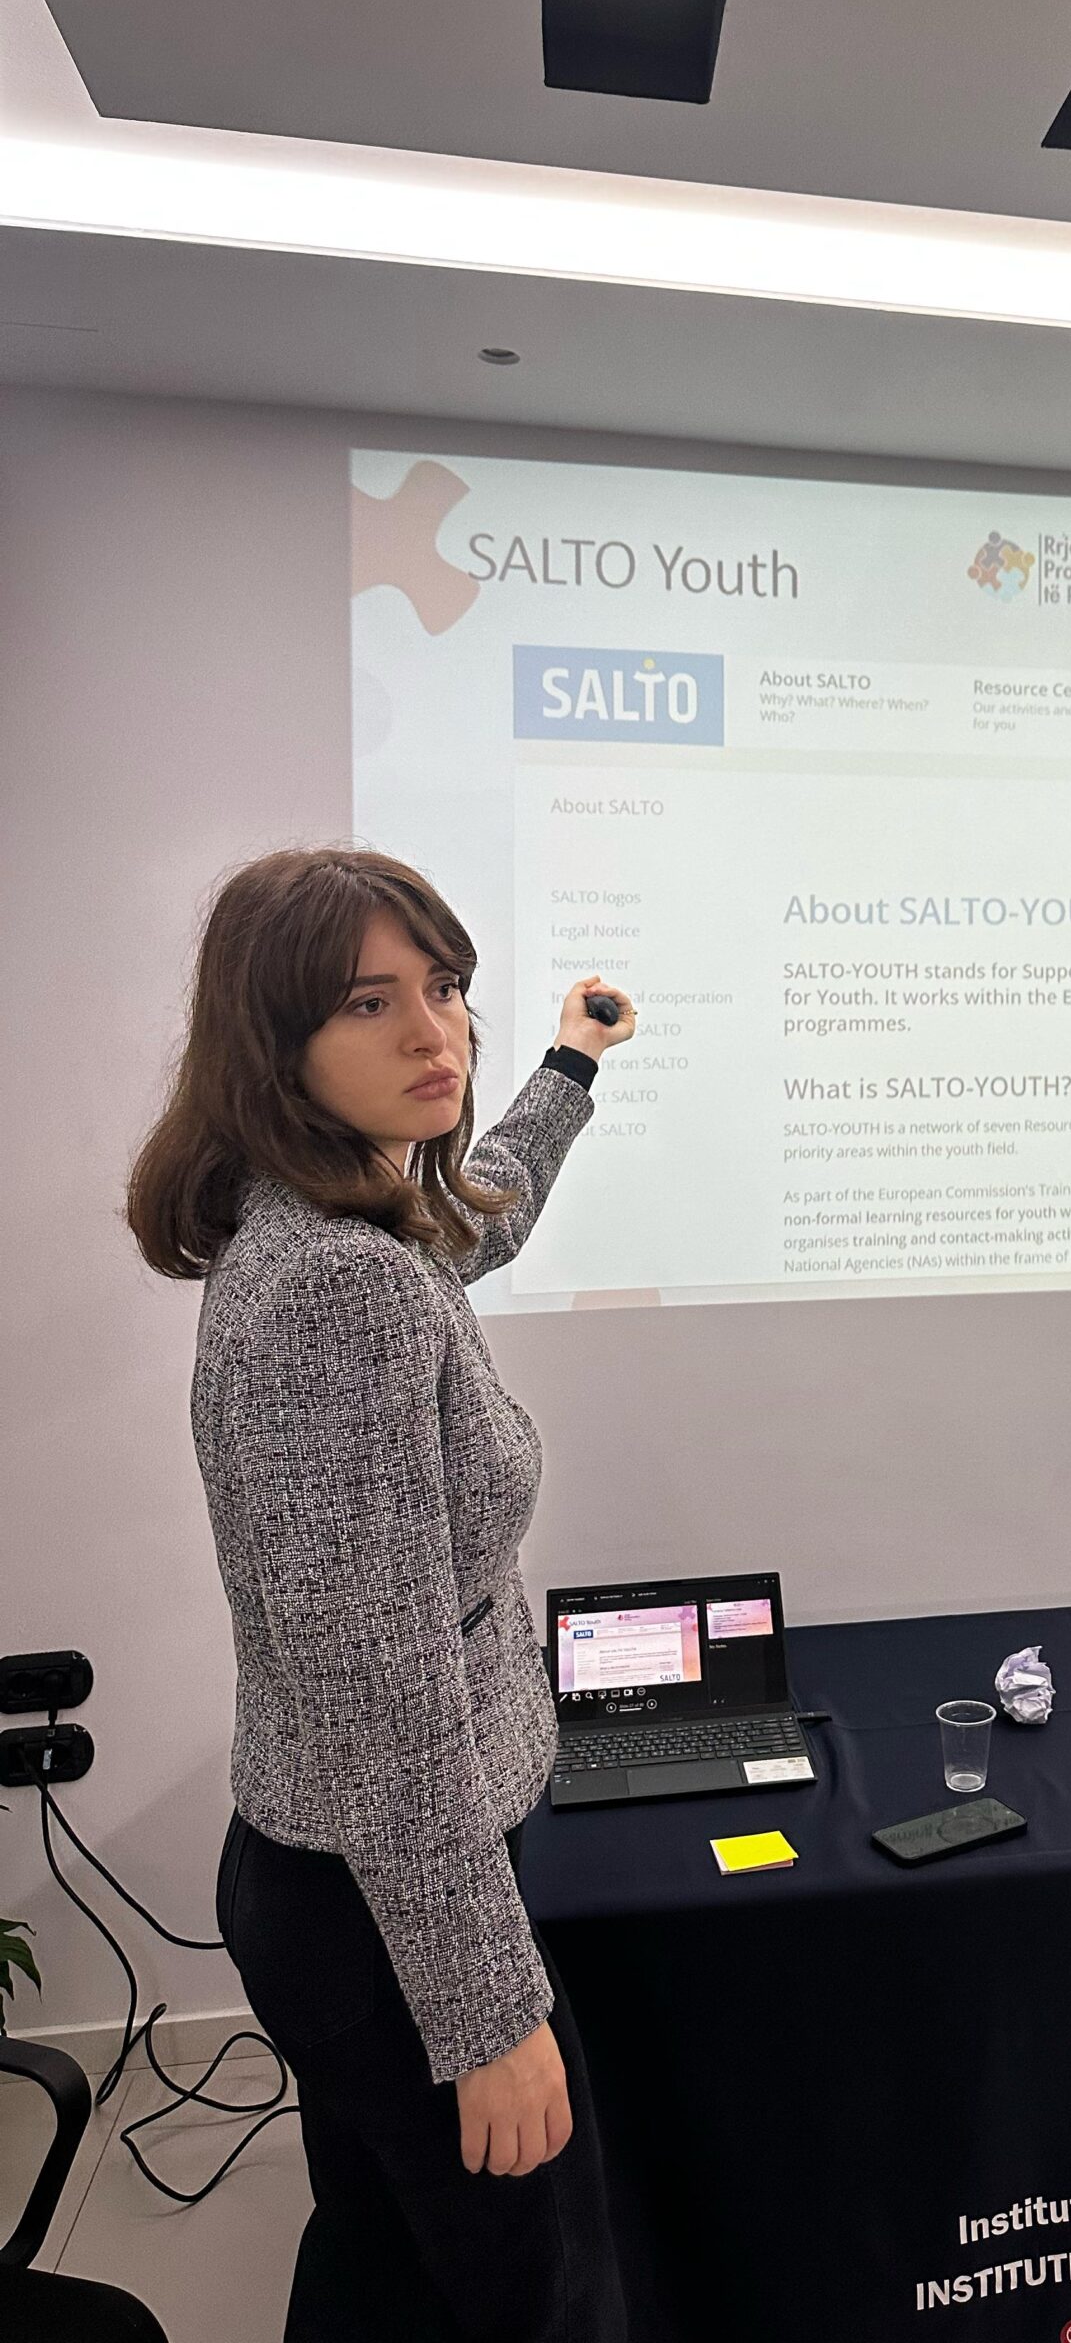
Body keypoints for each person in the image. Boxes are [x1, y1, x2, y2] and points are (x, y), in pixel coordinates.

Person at [125, 846, 632, 2342]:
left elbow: (481, 1218)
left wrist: (568, 1065)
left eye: (447, 987)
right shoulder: (339, 1289)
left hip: (345, 1885)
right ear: (271, 1041)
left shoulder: (330, 1220)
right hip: (391, 1910)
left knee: (388, 2268)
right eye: (369, 1001)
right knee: (529, 2298)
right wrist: (486, 2017)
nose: (434, 1032)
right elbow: (386, 1703)